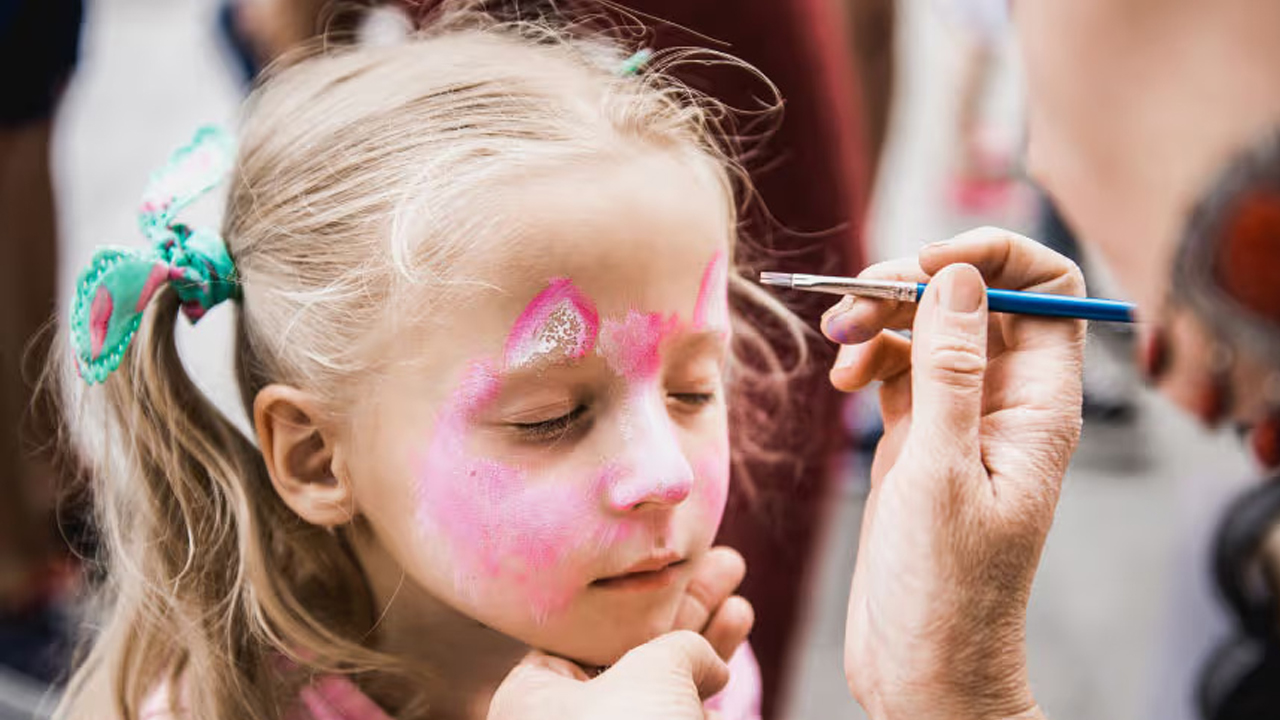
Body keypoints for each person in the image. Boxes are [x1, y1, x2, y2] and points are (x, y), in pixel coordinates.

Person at [51, 7, 819, 719]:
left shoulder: (682, 675)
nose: (667, 473)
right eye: (550, 418)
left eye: (692, 389)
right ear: (319, 457)